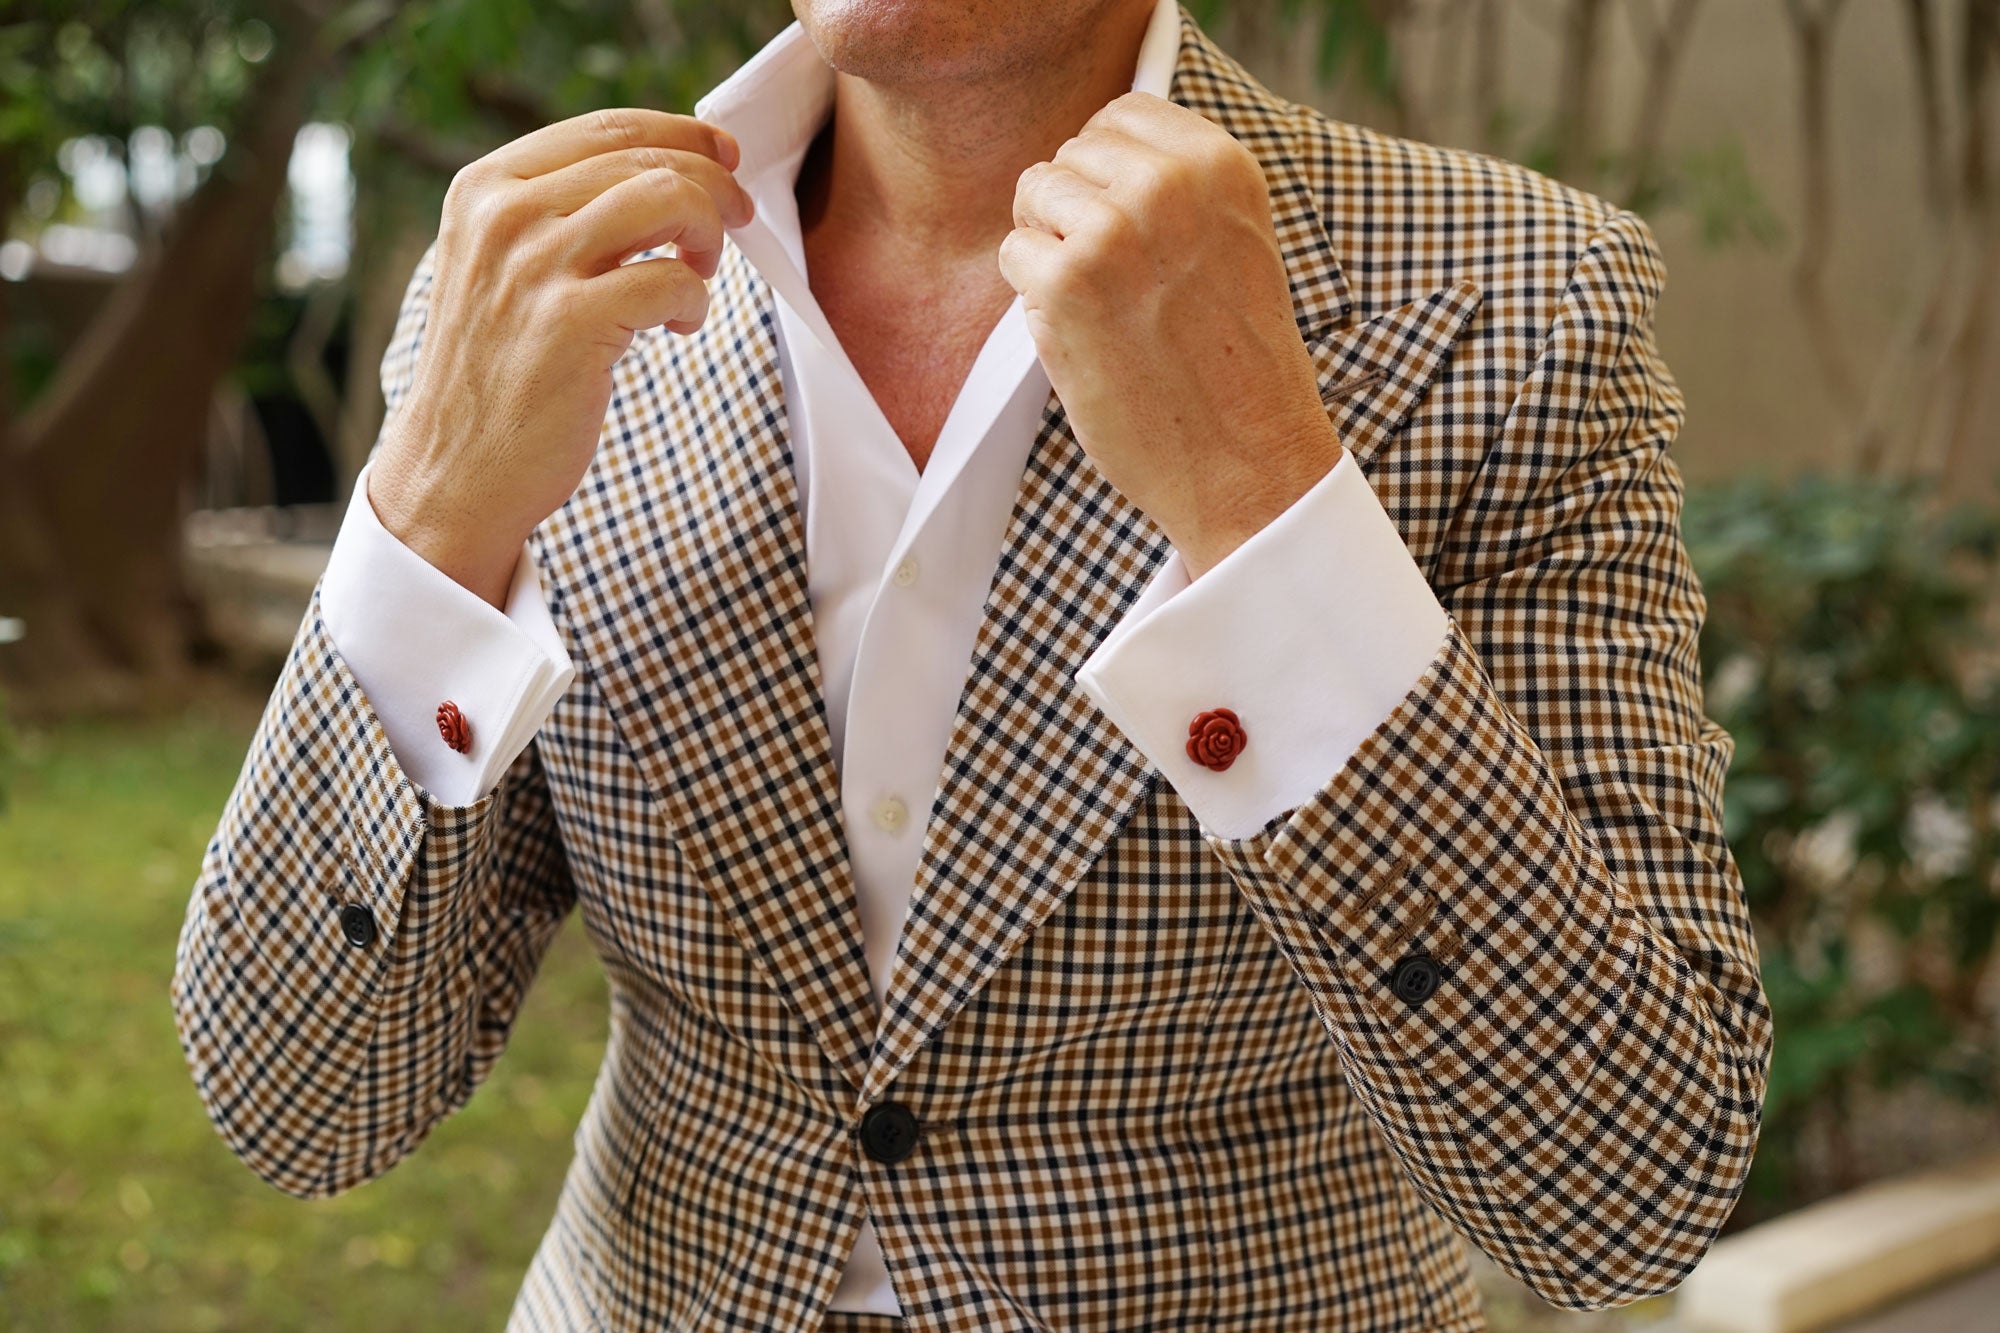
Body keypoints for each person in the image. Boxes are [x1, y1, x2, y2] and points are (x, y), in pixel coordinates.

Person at [171, 0, 1774, 1328]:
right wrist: (435, 518)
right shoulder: (526, 288)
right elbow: (303, 1102)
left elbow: (1623, 1197)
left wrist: (1266, 499)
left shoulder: (1512, 298)